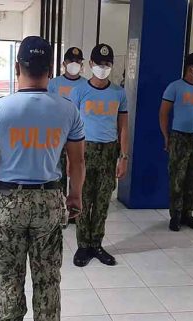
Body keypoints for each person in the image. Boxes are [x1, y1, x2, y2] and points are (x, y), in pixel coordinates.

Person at [0, 36, 86, 321]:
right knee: (47, 282)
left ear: (17, 68)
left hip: (9, 203)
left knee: (10, 280)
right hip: (49, 201)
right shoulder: (68, 109)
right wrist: (75, 196)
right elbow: (77, 162)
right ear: (50, 70)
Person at [69, 43, 128, 267]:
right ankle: (83, 245)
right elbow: (71, 127)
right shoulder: (79, 91)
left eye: (107, 64)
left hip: (109, 151)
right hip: (84, 150)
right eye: (99, 63)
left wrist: (124, 156)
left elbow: (123, 126)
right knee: (82, 198)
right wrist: (69, 158)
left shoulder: (118, 93)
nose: (103, 67)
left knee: (102, 201)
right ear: (90, 64)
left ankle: (97, 244)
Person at [160, 51, 193, 232]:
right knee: (177, 178)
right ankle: (175, 215)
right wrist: (167, 136)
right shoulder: (175, 87)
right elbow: (164, 113)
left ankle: (188, 214)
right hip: (179, 137)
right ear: (191, 68)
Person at [48, 47, 86, 199]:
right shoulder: (53, 84)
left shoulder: (85, 84)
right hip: (58, 136)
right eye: (71, 61)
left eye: (78, 61)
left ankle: (75, 208)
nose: (75, 64)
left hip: (78, 137)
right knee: (58, 176)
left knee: (77, 172)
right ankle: (60, 210)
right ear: (64, 63)